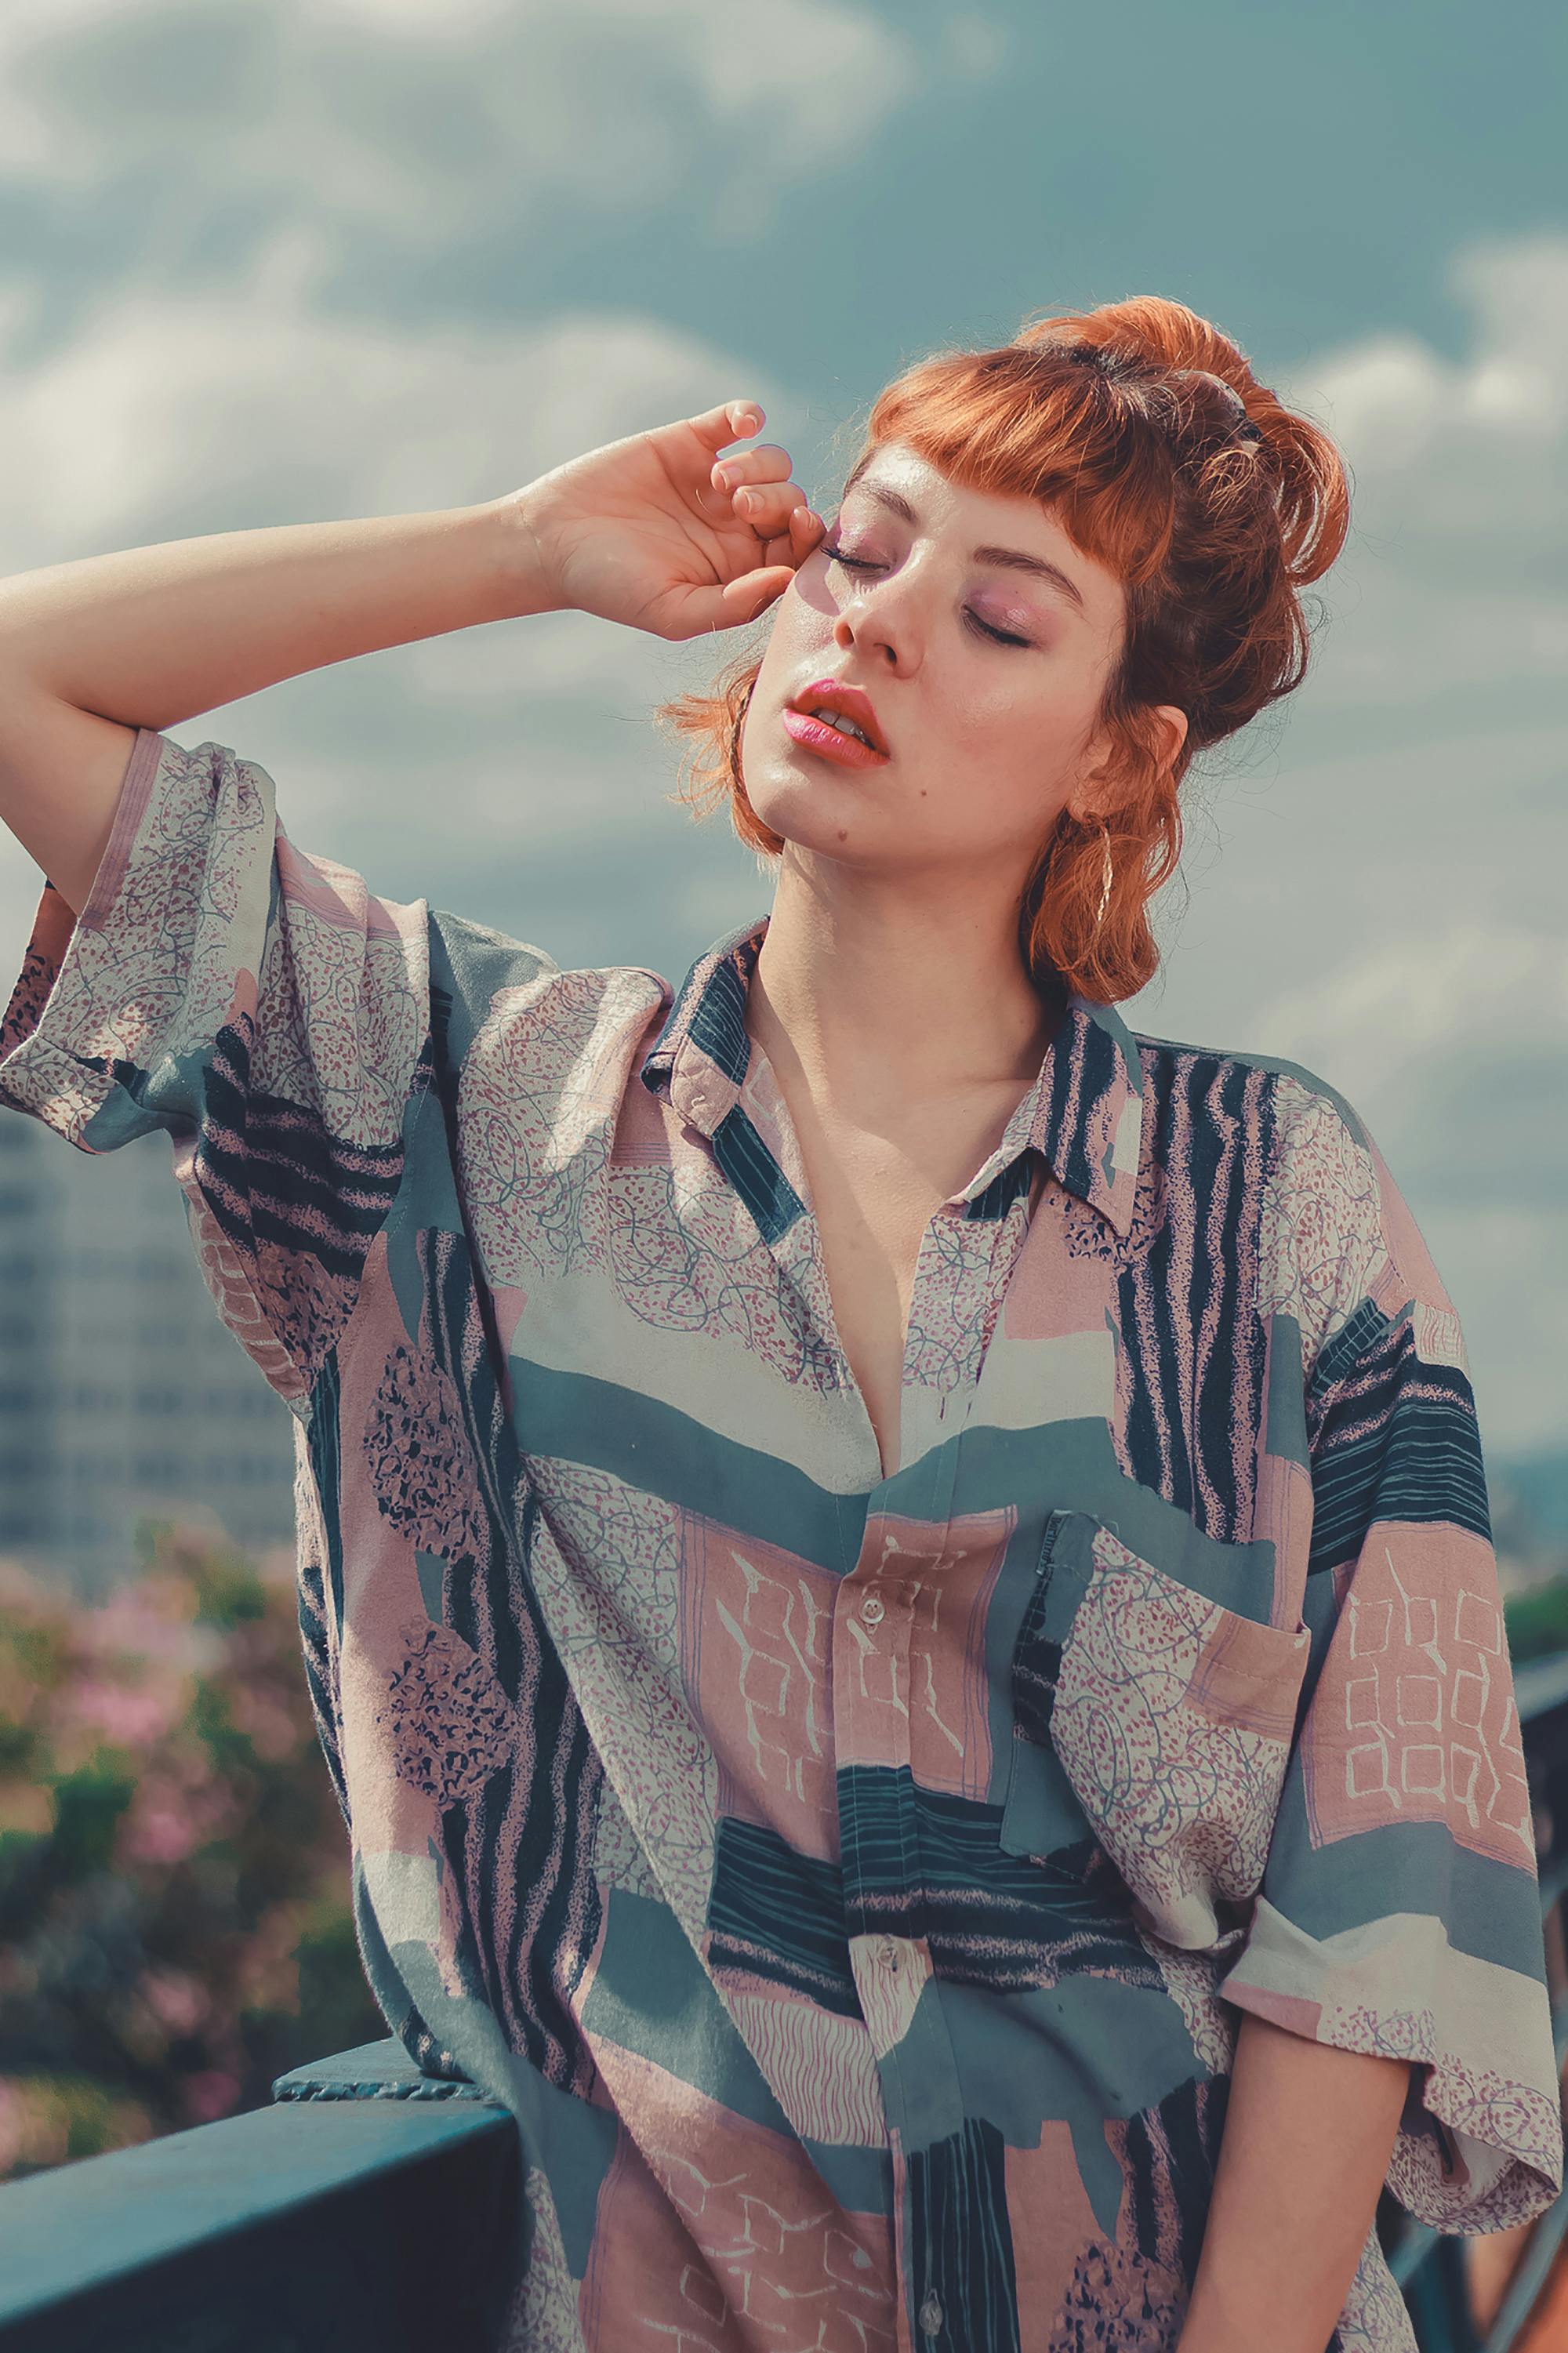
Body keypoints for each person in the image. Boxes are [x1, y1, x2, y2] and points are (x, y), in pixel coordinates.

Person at [0, 293, 1559, 2353]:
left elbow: (1377, 1899)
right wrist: (527, 545)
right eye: (864, 547)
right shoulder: (453, 1095)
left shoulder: (1273, 1202)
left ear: (1120, 756)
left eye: (1003, 618)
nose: (884, 623)